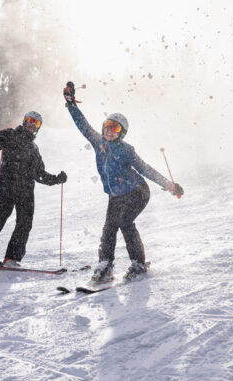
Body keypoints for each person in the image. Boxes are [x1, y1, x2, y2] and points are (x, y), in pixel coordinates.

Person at [63, 82, 184, 282]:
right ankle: (105, 266)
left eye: (115, 128)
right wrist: (71, 105)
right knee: (109, 229)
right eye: (107, 126)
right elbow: (83, 125)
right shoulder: (98, 143)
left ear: (122, 132)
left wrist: (169, 185)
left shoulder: (126, 150)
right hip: (116, 195)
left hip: (137, 192)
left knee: (125, 222)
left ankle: (138, 264)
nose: (109, 131)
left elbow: (144, 168)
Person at [0, 111, 67, 267]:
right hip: (8, 184)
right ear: (24, 121)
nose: (32, 125)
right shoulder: (10, 134)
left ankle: (11, 258)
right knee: (2, 214)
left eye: (36, 123)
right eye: (30, 121)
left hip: (25, 190)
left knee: (25, 221)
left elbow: (39, 174)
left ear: (38, 128)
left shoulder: (33, 149)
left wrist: (56, 179)